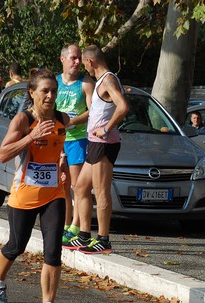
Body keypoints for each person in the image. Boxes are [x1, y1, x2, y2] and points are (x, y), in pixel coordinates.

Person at [0, 69, 70, 303]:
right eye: (44, 91)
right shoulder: (23, 120)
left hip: (53, 194)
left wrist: (63, 165)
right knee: (16, 246)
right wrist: (31, 137)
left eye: (53, 91)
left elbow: (59, 147)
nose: (50, 95)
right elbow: (2, 154)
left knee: (53, 252)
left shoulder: (62, 119)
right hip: (23, 195)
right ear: (32, 93)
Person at [73, 45, 128, 254]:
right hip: (94, 144)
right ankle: (85, 235)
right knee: (80, 187)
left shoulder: (108, 80)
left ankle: (103, 239)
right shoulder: (101, 82)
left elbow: (123, 106)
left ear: (90, 62)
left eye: (84, 63)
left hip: (105, 144)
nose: (84, 68)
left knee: (101, 192)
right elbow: (97, 111)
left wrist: (106, 128)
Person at [55, 44, 95, 250]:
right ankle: (64, 225)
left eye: (79, 58)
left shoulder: (86, 83)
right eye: (73, 58)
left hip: (77, 139)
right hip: (56, 140)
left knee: (77, 186)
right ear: (63, 59)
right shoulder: (54, 83)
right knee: (62, 186)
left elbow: (92, 111)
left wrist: (72, 121)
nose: (77, 62)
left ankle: (76, 226)